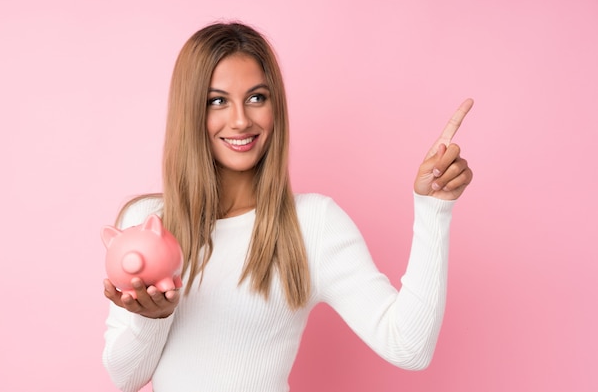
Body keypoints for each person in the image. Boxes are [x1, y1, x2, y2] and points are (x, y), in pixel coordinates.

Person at [102, 21, 473, 392]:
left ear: (275, 105)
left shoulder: (312, 223)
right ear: (190, 112)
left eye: (256, 97)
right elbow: (125, 378)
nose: (241, 120)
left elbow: (409, 346)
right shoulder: (148, 223)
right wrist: (154, 318)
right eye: (217, 101)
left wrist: (432, 209)